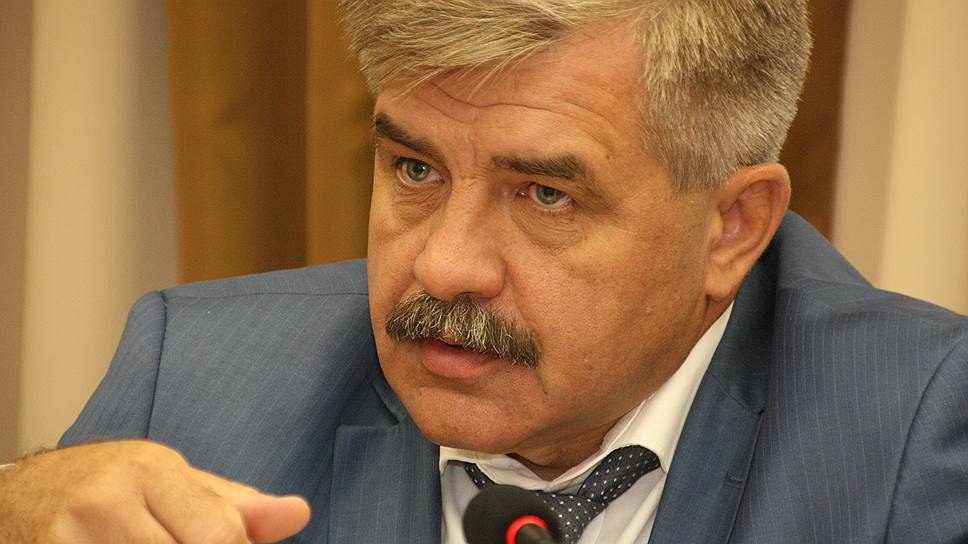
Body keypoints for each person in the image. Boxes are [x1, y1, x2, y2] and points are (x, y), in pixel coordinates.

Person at [2, 1, 967, 542]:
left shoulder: (918, 437)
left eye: (545, 194)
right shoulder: (197, 383)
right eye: (415, 171)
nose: (444, 265)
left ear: (731, 227)